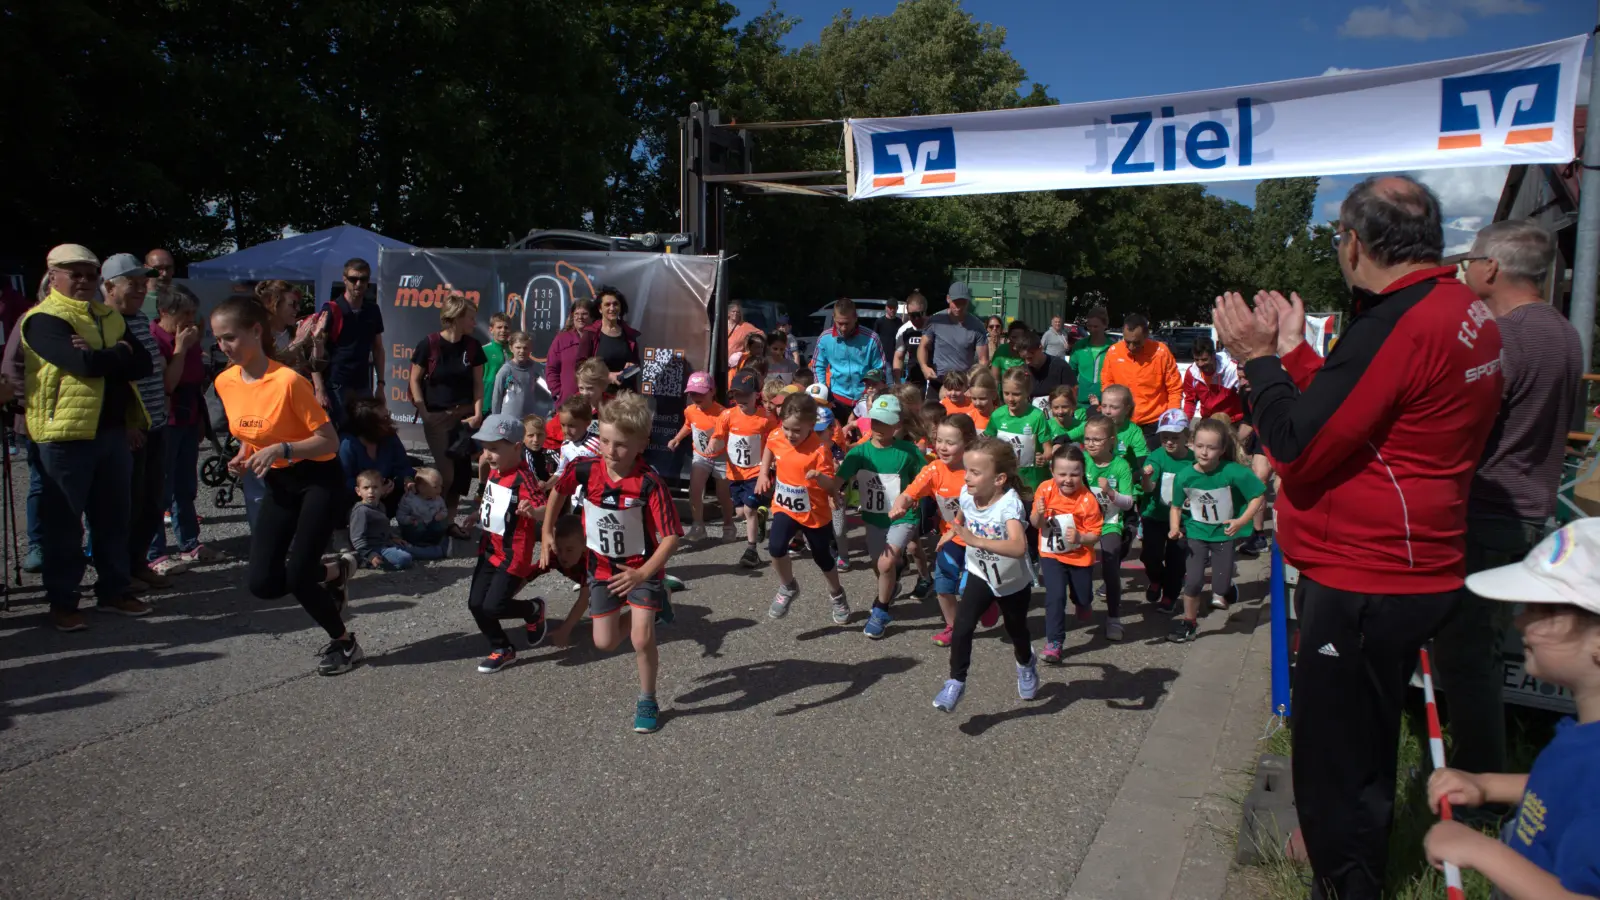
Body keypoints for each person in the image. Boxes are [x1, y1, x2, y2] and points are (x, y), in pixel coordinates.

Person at [1212, 174, 1505, 900]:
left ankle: (1346, 883)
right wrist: (1297, 357)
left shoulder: (1398, 323)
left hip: (1367, 577)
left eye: (1340, 236)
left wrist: (1257, 359)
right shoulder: (1458, 307)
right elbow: (1368, 406)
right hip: (1412, 562)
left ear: (1356, 243)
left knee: (1335, 760)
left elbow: (1297, 446)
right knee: (1366, 738)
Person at [1435, 218, 1586, 778]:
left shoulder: (1507, 337)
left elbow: (1465, 424)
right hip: (1529, 508)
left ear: (1491, 268)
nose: (1466, 269)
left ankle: (1478, 783)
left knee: (1468, 658)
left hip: (1486, 510)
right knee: (1482, 647)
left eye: (1471, 260)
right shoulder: (1564, 333)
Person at [1422, 519, 1600, 900]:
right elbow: (1565, 789)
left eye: (1542, 609)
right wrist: (1486, 785)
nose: (1519, 619)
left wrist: (1482, 851)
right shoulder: (1585, 733)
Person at [211, 296, 359, 674]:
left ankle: (344, 643)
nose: (222, 347)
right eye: (217, 339)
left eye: (229, 337)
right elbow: (253, 429)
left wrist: (283, 448)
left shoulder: (289, 381)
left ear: (256, 331)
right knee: (262, 582)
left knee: (298, 577)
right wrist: (245, 453)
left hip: (318, 480)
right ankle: (335, 573)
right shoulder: (225, 382)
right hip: (279, 481)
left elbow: (329, 442)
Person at [24, 245, 155, 630]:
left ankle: (114, 591)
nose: (82, 281)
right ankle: (63, 601)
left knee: (113, 518)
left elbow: (143, 363)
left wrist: (104, 355)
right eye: (73, 273)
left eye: (89, 273)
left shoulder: (107, 315)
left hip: (112, 431)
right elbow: (80, 364)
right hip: (64, 435)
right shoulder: (42, 318)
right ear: (53, 276)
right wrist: (117, 353)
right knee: (64, 524)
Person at [543, 392, 683, 734]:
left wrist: (645, 573)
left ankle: (648, 699)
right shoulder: (586, 468)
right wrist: (547, 529)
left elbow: (671, 537)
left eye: (620, 444)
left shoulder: (650, 483)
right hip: (602, 569)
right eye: (604, 440)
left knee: (640, 638)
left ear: (641, 444)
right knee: (604, 642)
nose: (609, 450)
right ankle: (661, 606)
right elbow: (559, 490)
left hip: (642, 569)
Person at [931, 437, 1038, 712]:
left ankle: (1026, 663)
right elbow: (963, 517)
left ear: (999, 478)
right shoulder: (967, 495)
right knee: (963, 626)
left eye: (975, 473)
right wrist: (953, 530)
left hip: (1012, 580)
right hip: (980, 572)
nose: (966, 477)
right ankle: (955, 681)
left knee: (1017, 631)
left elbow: (1017, 546)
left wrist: (977, 541)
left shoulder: (1009, 506)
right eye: (966, 470)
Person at [96, 255, 173, 593]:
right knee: (126, 504)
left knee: (152, 501)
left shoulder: (139, 318)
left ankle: (137, 562)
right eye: (134, 283)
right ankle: (118, 573)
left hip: (155, 424)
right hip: (131, 428)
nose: (142, 289)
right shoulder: (105, 322)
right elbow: (114, 380)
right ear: (110, 286)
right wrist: (128, 423)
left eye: (144, 283)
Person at [836, 394, 925, 639]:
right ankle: (892, 583)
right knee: (880, 567)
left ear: (897, 424)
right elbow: (837, 481)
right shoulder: (859, 453)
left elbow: (925, 479)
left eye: (885, 422)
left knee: (885, 563)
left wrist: (913, 497)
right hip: (874, 519)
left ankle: (880, 611)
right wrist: (821, 483)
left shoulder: (908, 451)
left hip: (903, 518)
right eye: (874, 421)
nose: (878, 427)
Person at [1167, 418, 1264, 641]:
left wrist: (1241, 521)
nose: (1204, 452)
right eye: (1200, 446)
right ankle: (1188, 622)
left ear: (1221, 450)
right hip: (1196, 533)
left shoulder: (1232, 472)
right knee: (1192, 581)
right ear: (1191, 444)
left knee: (1219, 587)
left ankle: (1227, 587)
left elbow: (1258, 495)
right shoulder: (1185, 476)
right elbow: (1175, 506)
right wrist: (1174, 528)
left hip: (1224, 534)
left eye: (1211, 448)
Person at [469, 414, 551, 673]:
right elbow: (492, 504)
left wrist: (533, 512)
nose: (488, 455)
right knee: (475, 604)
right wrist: (476, 514)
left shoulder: (523, 478)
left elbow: (547, 508)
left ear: (517, 448)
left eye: (494, 449)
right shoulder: (495, 473)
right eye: (485, 448)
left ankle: (533, 609)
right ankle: (502, 648)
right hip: (489, 549)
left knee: (494, 606)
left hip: (512, 554)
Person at [759, 392, 849, 624]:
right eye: (787, 428)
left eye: (797, 430)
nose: (790, 435)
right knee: (776, 547)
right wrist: (763, 473)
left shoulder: (819, 450)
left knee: (823, 558)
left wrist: (819, 477)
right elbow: (770, 445)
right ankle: (788, 586)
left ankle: (837, 594)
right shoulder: (778, 435)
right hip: (785, 507)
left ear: (811, 424)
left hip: (815, 513)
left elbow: (831, 485)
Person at [894, 413, 978, 647]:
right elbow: (910, 492)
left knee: (968, 588)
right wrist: (899, 505)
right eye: (939, 440)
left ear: (968, 442)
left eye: (950, 442)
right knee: (943, 584)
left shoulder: (978, 469)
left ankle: (988, 599)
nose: (942, 447)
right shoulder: (934, 469)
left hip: (980, 540)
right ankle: (953, 626)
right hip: (950, 538)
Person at [148, 285, 216, 571]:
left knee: (185, 485)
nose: (190, 319)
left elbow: (197, 377)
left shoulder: (189, 337)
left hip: (188, 415)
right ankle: (153, 552)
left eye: (193, 312)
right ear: (164, 312)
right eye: (185, 313)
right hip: (166, 419)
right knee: (159, 487)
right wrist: (180, 349)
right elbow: (167, 384)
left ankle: (189, 542)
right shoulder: (157, 339)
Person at [408, 293, 485, 535]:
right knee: (446, 474)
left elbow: (478, 384)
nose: (474, 323)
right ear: (456, 318)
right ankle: (425, 518)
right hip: (437, 417)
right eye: (471, 318)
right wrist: (424, 411)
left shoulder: (472, 346)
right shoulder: (429, 344)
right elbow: (414, 379)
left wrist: (477, 413)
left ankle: (448, 522)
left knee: (462, 475)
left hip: (463, 418)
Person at [1033, 444, 1104, 664]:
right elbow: (1035, 522)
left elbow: (1095, 534)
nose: (1068, 479)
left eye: (1074, 474)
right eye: (1062, 474)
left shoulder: (1088, 500)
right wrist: (1040, 515)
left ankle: (1083, 602)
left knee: (1082, 595)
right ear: (1052, 472)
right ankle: (1054, 642)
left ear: (1083, 473)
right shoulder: (1045, 489)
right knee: (1055, 597)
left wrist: (1081, 538)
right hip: (1051, 554)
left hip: (1080, 556)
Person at [667, 371, 735, 541]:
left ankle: (728, 525)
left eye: (701, 393)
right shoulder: (690, 410)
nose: (696, 397)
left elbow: (731, 435)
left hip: (721, 457)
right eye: (692, 393)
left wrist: (719, 443)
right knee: (695, 490)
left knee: (723, 494)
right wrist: (677, 438)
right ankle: (698, 526)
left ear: (712, 391)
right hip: (700, 456)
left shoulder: (723, 413)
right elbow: (688, 425)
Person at [320, 258, 385, 425]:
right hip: (336, 384)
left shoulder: (372, 310)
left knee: (368, 431)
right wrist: (319, 389)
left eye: (363, 279)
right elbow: (316, 352)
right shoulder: (332, 309)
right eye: (353, 279)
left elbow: (378, 349)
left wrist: (381, 385)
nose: (358, 283)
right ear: (344, 279)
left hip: (363, 383)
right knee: (343, 434)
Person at [1140, 409, 1193, 613]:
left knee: (1177, 560)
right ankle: (1155, 579)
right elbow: (1149, 488)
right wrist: (1146, 478)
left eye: (1174, 437)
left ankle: (1170, 595)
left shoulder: (1193, 460)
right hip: (1155, 515)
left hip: (1183, 519)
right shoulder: (1156, 457)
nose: (1169, 442)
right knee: (1150, 555)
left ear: (1186, 436)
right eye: (1164, 437)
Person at [1101, 312, 1182, 442]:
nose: (1131, 347)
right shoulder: (1114, 352)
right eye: (1127, 342)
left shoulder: (1161, 353)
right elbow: (1107, 384)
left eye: (1136, 343)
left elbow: (1175, 389)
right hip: (1122, 422)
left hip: (1153, 423)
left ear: (1146, 336)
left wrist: (1171, 421)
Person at [725, 369, 776, 569]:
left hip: (757, 471)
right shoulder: (727, 415)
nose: (740, 399)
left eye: (745, 394)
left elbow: (774, 439)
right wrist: (714, 444)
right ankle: (760, 516)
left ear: (757, 395)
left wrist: (772, 460)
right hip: (735, 473)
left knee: (749, 509)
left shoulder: (766, 419)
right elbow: (718, 436)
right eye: (736, 395)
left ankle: (751, 550)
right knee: (739, 512)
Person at [810, 297, 888, 424]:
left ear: (855, 318)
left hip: (865, 398)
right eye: (840, 323)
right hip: (837, 399)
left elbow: (879, 369)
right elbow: (817, 366)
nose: (843, 328)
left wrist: (870, 393)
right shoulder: (825, 338)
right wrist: (824, 392)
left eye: (847, 323)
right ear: (834, 318)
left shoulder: (872, 338)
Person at [338, 397, 415, 519]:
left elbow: (403, 465)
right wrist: (374, 489)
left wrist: (407, 480)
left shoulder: (389, 436)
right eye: (384, 419)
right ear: (369, 425)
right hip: (358, 498)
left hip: (387, 493)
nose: (389, 420)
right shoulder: (348, 445)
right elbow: (345, 482)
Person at [985, 367, 1050, 490]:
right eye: (1006, 393)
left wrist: (1044, 458)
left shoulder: (1037, 416)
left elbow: (1048, 449)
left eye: (1016, 394)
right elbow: (988, 443)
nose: (1010, 398)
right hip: (1004, 481)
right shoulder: (997, 415)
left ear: (1027, 392)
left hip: (1031, 482)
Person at [917, 282, 988, 392]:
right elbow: (923, 346)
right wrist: (924, 367)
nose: (958, 307)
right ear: (948, 299)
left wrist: (973, 383)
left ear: (968, 302)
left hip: (963, 386)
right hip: (938, 382)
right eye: (955, 302)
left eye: (962, 303)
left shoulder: (977, 326)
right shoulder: (935, 320)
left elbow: (983, 360)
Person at [350, 470, 419, 570]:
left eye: (375, 487)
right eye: (366, 488)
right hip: (374, 549)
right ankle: (368, 563)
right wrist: (370, 555)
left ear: (382, 489)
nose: (371, 491)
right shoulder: (361, 511)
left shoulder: (380, 506)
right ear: (358, 491)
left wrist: (393, 537)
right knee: (405, 558)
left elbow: (384, 527)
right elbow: (357, 538)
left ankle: (440, 550)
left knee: (411, 548)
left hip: (386, 544)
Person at [579, 287, 641, 391]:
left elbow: (637, 364)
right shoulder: (590, 334)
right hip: (599, 396)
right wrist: (607, 376)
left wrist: (632, 367)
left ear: (620, 307)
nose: (612, 308)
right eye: (607, 305)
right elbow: (580, 367)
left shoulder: (629, 334)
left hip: (625, 398)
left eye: (615, 304)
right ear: (600, 309)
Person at [544, 298, 595, 406]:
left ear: (592, 316)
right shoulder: (562, 339)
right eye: (576, 314)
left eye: (584, 314)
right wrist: (558, 393)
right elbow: (551, 368)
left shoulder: (598, 338)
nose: (580, 317)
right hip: (567, 403)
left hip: (594, 402)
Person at [1181, 335, 1242, 424]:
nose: (1200, 364)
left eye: (1204, 359)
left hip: (1233, 421)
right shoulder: (1191, 372)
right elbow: (1190, 401)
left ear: (1214, 354)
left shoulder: (1232, 369)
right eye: (1196, 360)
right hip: (1208, 421)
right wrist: (1184, 424)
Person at [1015, 331, 1075, 410]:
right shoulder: (1022, 371)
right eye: (1023, 358)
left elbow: (1073, 394)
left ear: (1040, 348)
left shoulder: (1061, 367)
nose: (1027, 362)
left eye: (1030, 357)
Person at [1068, 306, 1113, 411]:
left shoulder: (1113, 348)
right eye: (1089, 326)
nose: (1092, 330)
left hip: (1105, 404)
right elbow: (1071, 374)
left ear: (1105, 325)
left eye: (1096, 326)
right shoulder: (1079, 346)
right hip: (1081, 404)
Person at [397, 467, 450, 552]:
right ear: (421, 488)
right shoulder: (409, 499)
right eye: (435, 487)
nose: (440, 490)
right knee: (418, 527)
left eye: (441, 486)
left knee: (441, 525)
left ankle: (433, 542)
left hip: (431, 524)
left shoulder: (438, 499)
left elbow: (444, 510)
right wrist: (409, 519)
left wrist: (442, 515)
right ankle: (416, 543)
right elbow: (400, 516)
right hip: (415, 526)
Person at [490, 331, 538, 421]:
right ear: (511, 348)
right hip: (509, 419)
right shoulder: (506, 370)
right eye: (518, 347)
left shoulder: (532, 368)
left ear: (530, 349)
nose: (522, 351)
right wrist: (495, 420)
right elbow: (497, 396)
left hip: (528, 419)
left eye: (525, 348)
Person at [892, 291, 929, 394]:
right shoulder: (904, 330)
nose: (916, 319)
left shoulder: (934, 327)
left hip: (933, 381)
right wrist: (898, 383)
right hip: (913, 381)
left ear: (925, 311)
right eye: (912, 315)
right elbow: (899, 356)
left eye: (919, 314)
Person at [481, 313, 511, 415]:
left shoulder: (515, 350)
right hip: (488, 403)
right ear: (491, 329)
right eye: (499, 327)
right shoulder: (484, 350)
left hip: (509, 404)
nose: (503, 330)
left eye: (506, 327)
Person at [726, 300, 764, 372]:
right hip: (721, 363)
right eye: (733, 311)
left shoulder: (745, 326)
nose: (736, 314)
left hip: (737, 364)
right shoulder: (721, 325)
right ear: (728, 313)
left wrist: (749, 348)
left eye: (738, 312)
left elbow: (761, 334)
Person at [873, 300, 904, 382]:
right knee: (889, 377)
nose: (892, 310)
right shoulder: (880, 322)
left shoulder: (899, 322)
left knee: (897, 378)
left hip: (897, 354)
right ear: (886, 308)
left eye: (894, 308)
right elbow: (874, 338)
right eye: (890, 308)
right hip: (884, 355)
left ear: (897, 309)